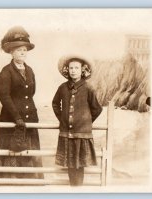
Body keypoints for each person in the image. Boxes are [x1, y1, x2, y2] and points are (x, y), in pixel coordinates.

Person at [0, 26, 43, 179]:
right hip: (12, 120)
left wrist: (27, 114)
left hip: (30, 120)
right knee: (10, 154)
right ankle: (8, 186)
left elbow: (31, 93)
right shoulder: (6, 72)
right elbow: (4, 97)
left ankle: (31, 187)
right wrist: (17, 117)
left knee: (31, 154)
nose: (22, 52)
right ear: (11, 52)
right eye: (19, 50)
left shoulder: (30, 70)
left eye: (25, 50)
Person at [52, 55, 102, 186]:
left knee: (79, 166)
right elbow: (55, 104)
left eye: (76, 68)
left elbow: (97, 108)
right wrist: (62, 118)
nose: (73, 70)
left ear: (83, 70)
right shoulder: (62, 87)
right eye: (71, 68)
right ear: (67, 70)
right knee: (70, 164)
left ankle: (78, 191)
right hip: (66, 134)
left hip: (81, 134)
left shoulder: (88, 88)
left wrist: (86, 121)